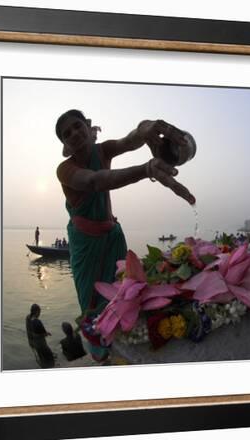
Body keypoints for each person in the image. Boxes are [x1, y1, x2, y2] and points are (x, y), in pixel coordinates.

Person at [55, 109, 195, 361]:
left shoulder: (102, 150)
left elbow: (129, 141)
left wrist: (146, 128)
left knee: (123, 291)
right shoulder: (65, 169)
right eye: (67, 134)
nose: (74, 133)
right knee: (93, 303)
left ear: (88, 127)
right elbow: (95, 181)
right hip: (85, 245)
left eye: (77, 126)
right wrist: (146, 169)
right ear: (65, 146)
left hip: (112, 236)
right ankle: (102, 354)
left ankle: (124, 340)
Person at [25, 304, 54, 368]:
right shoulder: (37, 321)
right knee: (50, 357)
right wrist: (47, 333)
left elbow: (29, 331)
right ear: (36, 312)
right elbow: (42, 333)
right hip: (41, 343)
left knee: (41, 357)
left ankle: (43, 367)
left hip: (32, 342)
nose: (40, 314)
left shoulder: (28, 318)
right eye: (39, 312)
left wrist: (30, 342)